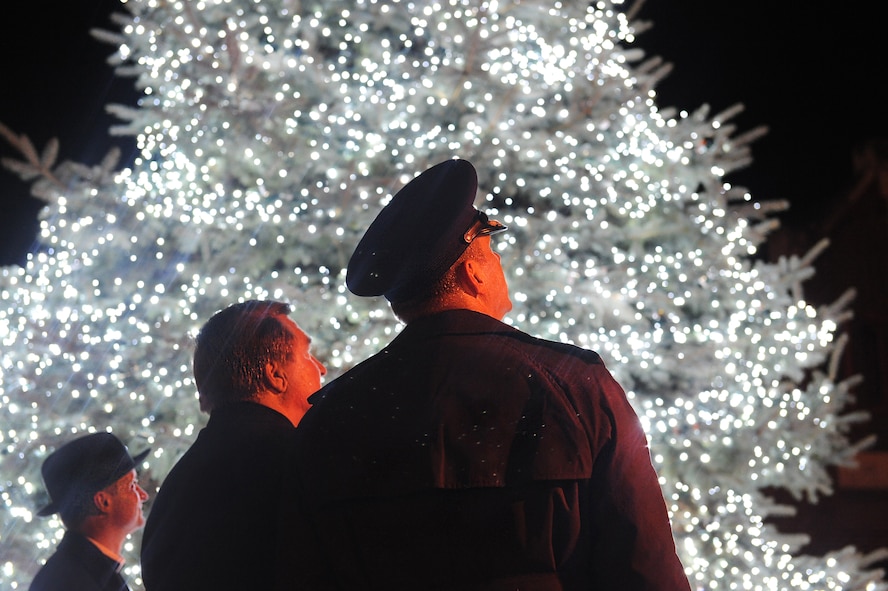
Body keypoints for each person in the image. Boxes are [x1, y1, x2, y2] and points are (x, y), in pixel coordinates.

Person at [286, 158, 692, 590]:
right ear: (472, 272)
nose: (498, 263)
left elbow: (304, 571)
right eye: (491, 252)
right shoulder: (575, 384)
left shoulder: (332, 416)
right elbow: (642, 563)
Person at [140, 300, 326, 591]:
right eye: (308, 355)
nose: (322, 369)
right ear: (274, 375)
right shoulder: (302, 463)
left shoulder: (177, 484)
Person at [30, 432, 150, 591]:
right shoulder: (76, 581)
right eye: (132, 485)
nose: (143, 495)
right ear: (103, 501)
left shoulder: (84, 570)